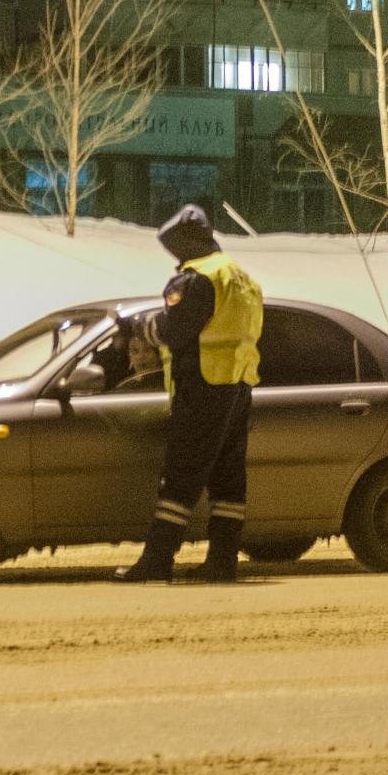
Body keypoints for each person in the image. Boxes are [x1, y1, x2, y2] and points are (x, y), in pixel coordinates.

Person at [115, 204, 264, 583]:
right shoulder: (240, 276)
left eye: (174, 248)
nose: (174, 257)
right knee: (228, 480)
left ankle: (157, 559)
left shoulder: (198, 278)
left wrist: (138, 329)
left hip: (202, 386)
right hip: (238, 385)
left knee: (180, 474)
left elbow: (174, 329)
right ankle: (222, 561)